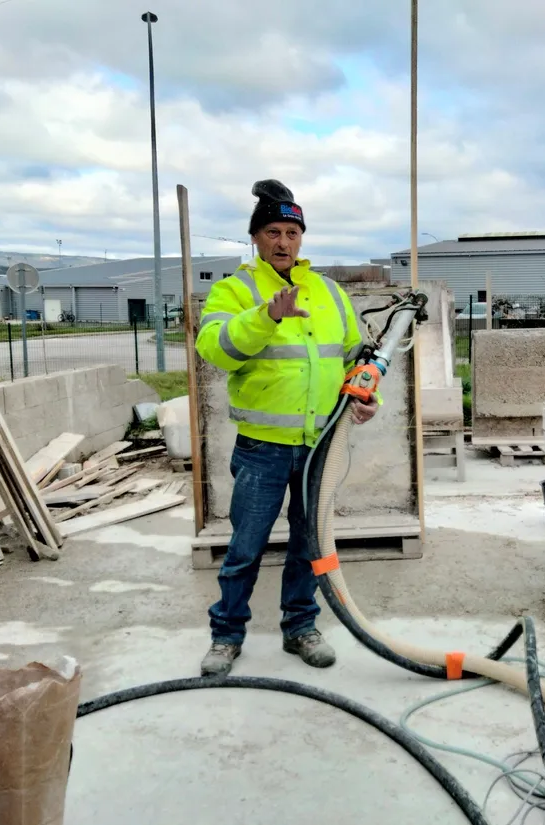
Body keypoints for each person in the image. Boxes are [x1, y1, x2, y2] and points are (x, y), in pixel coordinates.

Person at [195, 179, 379, 677]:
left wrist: (364, 395)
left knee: (308, 544)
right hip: (262, 449)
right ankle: (226, 636)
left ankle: (301, 627)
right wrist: (265, 317)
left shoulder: (328, 292)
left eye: (292, 232)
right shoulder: (234, 290)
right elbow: (213, 349)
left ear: (301, 239)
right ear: (255, 238)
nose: (283, 242)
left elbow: (351, 356)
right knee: (245, 548)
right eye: (273, 231)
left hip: (320, 445)